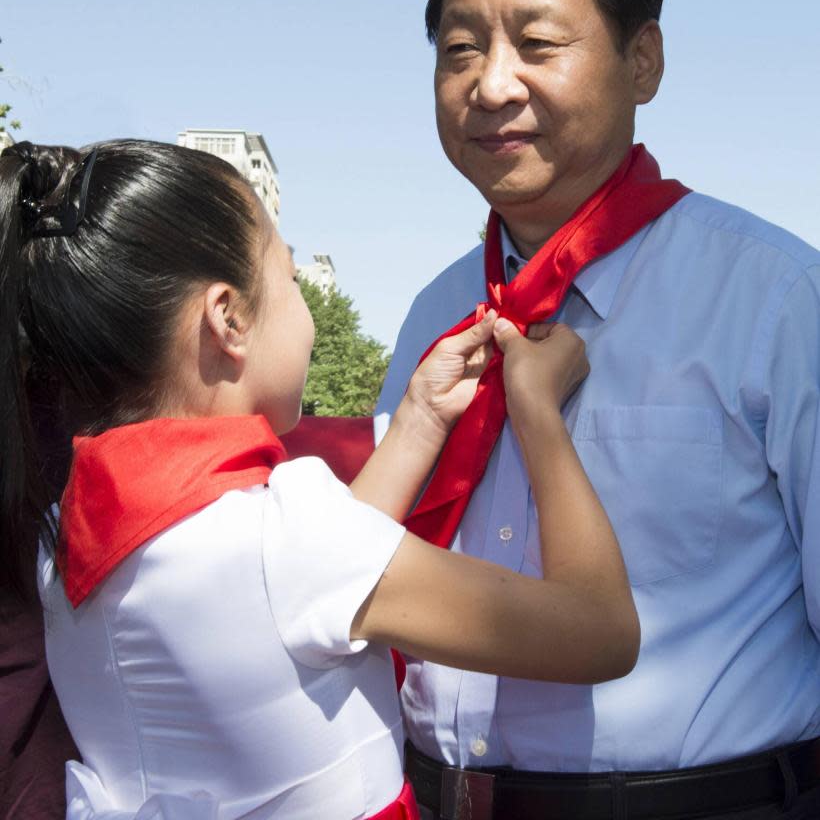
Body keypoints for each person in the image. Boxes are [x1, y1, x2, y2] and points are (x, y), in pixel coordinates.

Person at [0, 138, 638, 820]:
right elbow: (600, 632)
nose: (300, 296)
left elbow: (294, 611)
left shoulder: (65, 532)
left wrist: (419, 418)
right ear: (229, 319)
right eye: (290, 277)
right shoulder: (289, 538)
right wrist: (539, 412)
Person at [376, 0, 820, 820]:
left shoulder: (777, 300)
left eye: (538, 45)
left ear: (642, 60)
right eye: (460, 50)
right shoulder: (435, 317)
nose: (492, 84)